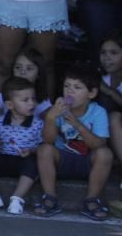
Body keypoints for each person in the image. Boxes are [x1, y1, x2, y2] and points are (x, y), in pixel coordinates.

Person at [34, 65, 113, 220]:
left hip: (87, 163)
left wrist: (76, 123)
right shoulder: (57, 110)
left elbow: (98, 144)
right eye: (66, 86)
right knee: (44, 149)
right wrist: (50, 118)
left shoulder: (98, 112)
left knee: (105, 153)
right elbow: (48, 140)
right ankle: (50, 197)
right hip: (62, 160)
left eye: (77, 87)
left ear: (91, 93)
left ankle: (91, 200)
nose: (69, 91)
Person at [0, 77, 45, 215]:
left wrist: (32, 151)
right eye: (25, 100)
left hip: (24, 160)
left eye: (33, 99)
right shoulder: (0, 121)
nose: (31, 103)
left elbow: (43, 147)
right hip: (4, 158)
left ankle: (17, 198)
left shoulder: (38, 124)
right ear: (9, 105)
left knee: (32, 165)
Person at [97, 31, 122, 168]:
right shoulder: (101, 78)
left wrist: (111, 92)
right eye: (103, 53)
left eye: (114, 53)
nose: (107, 58)